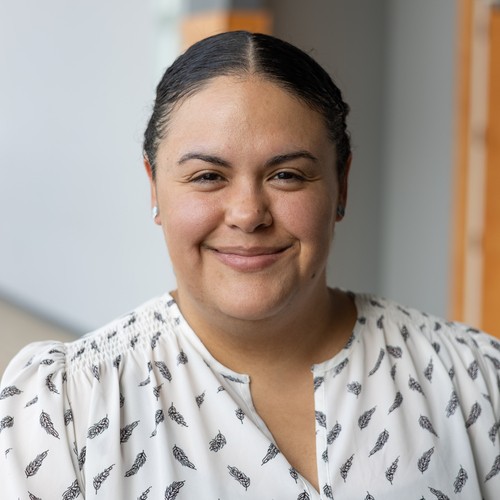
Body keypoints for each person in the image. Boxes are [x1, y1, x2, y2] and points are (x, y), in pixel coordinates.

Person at [0, 31, 498, 500]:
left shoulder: (477, 380)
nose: (248, 214)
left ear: (341, 185)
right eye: (207, 176)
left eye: (287, 175)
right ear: (154, 186)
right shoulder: (63, 411)